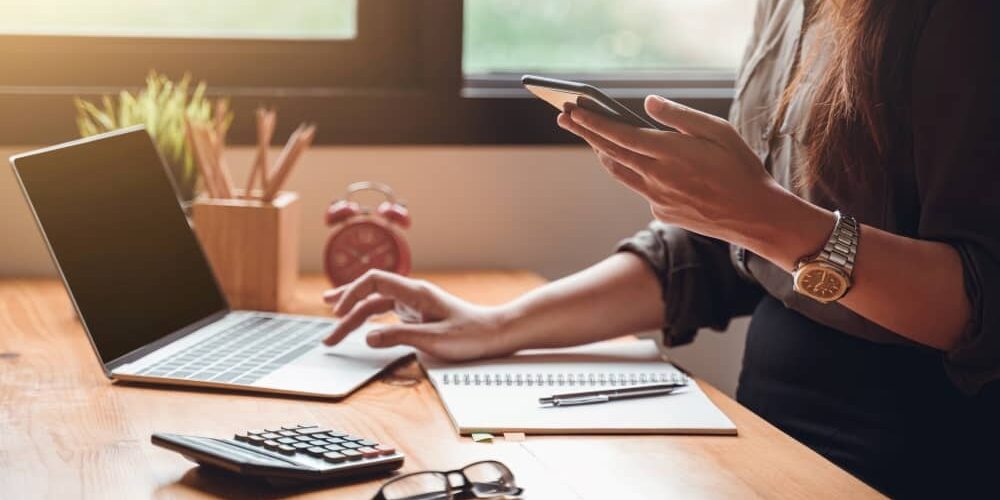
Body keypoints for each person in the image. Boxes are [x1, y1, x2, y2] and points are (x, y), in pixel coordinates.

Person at [322, 0, 999, 496]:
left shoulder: (961, 22)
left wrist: (768, 220)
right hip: (767, 439)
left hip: (915, 455)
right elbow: (724, 256)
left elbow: (979, 305)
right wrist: (494, 325)